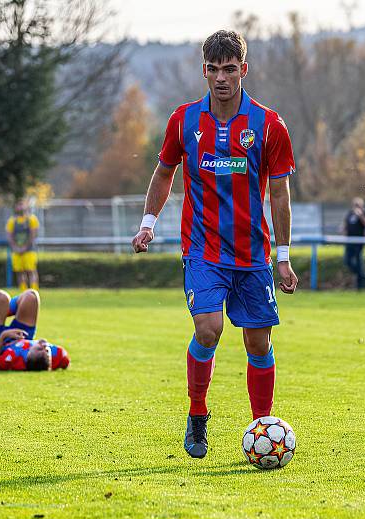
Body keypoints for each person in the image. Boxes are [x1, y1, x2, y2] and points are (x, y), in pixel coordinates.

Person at [131, 30, 297, 459]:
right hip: (202, 250)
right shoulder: (184, 120)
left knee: (258, 343)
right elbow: (164, 172)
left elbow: (279, 194)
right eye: (213, 69)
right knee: (209, 329)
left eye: (229, 69)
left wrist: (283, 256)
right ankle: (198, 415)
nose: (221, 77)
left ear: (244, 69)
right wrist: (149, 222)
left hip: (253, 254)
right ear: (204, 71)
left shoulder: (269, 125)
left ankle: (263, 424)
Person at [6, 200, 40, 291]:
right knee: (20, 272)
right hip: (16, 251)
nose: (20, 207)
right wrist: (15, 247)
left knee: (31, 271)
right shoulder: (12, 221)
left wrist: (25, 247)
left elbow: (33, 235)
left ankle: (34, 292)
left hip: (29, 250)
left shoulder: (32, 219)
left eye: (21, 204)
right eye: (18, 204)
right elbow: (9, 235)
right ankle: (23, 293)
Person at [341, 197, 365, 289]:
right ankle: (363, 276)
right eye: (355, 205)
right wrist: (343, 229)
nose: (356, 207)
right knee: (347, 261)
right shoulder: (350, 213)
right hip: (350, 241)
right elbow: (345, 224)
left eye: (358, 205)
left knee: (359, 262)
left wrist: (361, 216)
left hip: (359, 242)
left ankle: (360, 285)